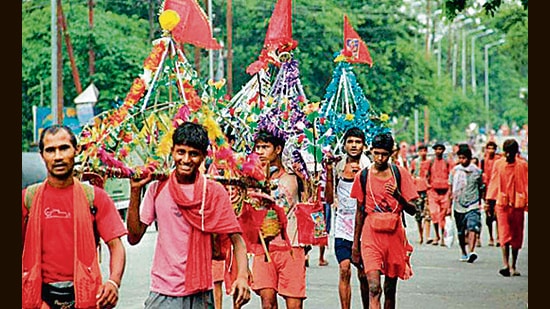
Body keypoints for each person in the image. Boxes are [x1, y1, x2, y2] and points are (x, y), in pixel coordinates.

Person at [126, 122, 251, 308]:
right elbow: (134, 237)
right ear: (172, 152)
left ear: (203, 157)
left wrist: (242, 277)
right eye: (181, 152)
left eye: (193, 154)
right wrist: (135, 192)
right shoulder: (157, 188)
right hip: (163, 292)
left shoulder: (214, 192)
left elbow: (237, 240)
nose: (185, 159)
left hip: (201, 293)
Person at [22, 124, 127, 309]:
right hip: (39, 299)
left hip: (85, 296)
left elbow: (116, 245)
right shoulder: (27, 199)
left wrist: (113, 282)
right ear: (42, 155)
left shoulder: (95, 198)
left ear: (76, 150)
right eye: (50, 150)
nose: (58, 157)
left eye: (64, 148)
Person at [350, 132, 418, 309]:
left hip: (394, 236)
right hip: (370, 236)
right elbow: (359, 212)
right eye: (376, 153)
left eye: (384, 154)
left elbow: (413, 210)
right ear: (371, 150)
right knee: (374, 288)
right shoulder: (363, 176)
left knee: (389, 289)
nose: (380, 158)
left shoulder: (399, 174)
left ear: (391, 153)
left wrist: (399, 196)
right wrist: (355, 245)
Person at [250, 129, 305, 308]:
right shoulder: (249, 180)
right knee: (267, 303)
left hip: (291, 247)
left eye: (265, 147)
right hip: (263, 246)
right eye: (257, 147)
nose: (260, 151)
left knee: (294, 305)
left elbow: (284, 206)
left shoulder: (293, 178)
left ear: (278, 149)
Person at [324, 127, 371, 309]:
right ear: (344, 145)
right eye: (350, 141)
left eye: (357, 142)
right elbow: (329, 199)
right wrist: (328, 171)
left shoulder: (368, 167)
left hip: (364, 227)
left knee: (364, 274)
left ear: (363, 145)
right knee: (344, 270)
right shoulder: (337, 166)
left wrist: (361, 176)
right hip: (342, 227)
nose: (354, 145)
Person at [486, 139, 528, 277]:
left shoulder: (523, 165)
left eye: (512, 152)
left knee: (516, 235)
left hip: (517, 205)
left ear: (516, 152)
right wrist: (489, 202)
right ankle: (505, 264)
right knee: (504, 234)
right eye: (507, 152)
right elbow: (493, 182)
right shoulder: (499, 164)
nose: (509, 155)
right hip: (502, 203)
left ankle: (514, 265)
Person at [449, 145, 483, 263]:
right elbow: (450, 189)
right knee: (461, 231)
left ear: (469, 158)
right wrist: (448, 206)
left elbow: (481, 186)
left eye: (464, 158)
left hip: (472, 204)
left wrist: (482, 201)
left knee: (472, 226)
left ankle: (471, 251)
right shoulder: (454, 172)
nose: (462, 160)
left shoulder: (477, 172)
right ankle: (463, 251)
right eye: (460, 158)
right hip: (458, 204)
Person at [426, 142, 452, 246]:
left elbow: (451, 176)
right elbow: (426, 175)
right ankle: (437, 235)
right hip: (433, 192)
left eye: (440, 149)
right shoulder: (431, 162)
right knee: (434, 214)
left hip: (445, 192)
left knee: (443, 216)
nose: (438, 151)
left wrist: (450, 191)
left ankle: (442, 237)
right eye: (436, 149)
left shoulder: (447, 162)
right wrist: (428, 186)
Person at [480, 141, 501, 247]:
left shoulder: (499, 160)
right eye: (489, 148)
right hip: (488, 191)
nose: (491, 151)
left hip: (498, 191)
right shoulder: (483, 161)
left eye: (493, 148)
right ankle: (491, 237)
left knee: (498, 215)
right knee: (489, 215)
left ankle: (498, 237)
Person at [409, 143, 431, 244]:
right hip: (417, 190)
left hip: (427, 190)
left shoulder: (429, 162)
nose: (423, 153)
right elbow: (410, 174)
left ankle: (427, 236)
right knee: (418, 215)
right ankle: (421, 235)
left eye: (424, 151)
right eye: (421, 151)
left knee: (427, 214)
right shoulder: (415, 162)